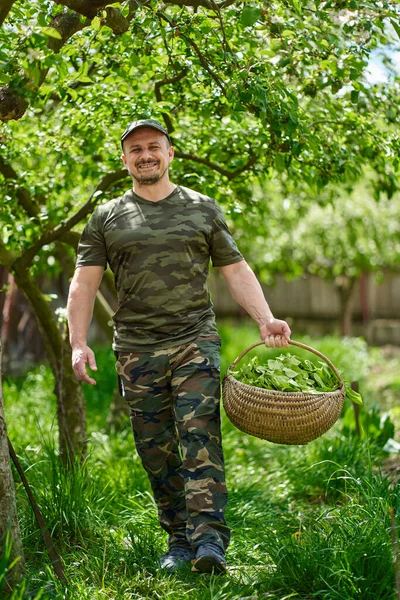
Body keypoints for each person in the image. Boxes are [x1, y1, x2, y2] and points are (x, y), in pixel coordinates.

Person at [67, 118, 291, 574]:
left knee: (198, 436)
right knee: (156, 447)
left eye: (154, 147)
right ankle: (178, 540)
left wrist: (265, 319)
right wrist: (77, 342)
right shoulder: (106, 216)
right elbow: (83, 284)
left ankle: (209, 542)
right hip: (136, 347)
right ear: (124, 160)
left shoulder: (202, 208)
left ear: (171, 154)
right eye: (136, 149)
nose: (145, 155)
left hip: (194, 339)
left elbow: (235, 269)